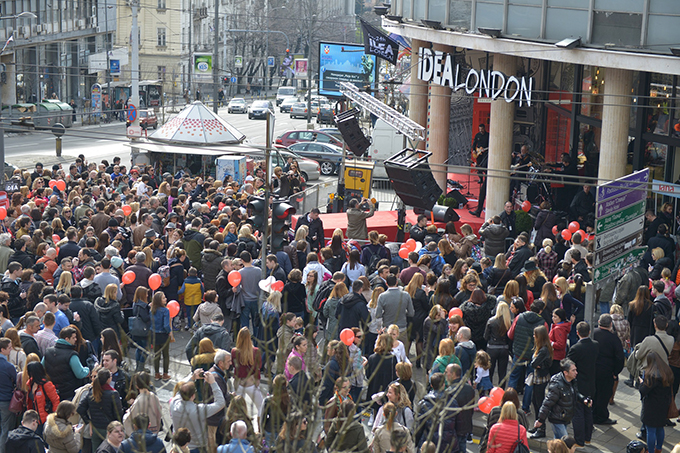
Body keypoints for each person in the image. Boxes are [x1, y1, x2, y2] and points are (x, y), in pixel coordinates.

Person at [169, 369, 225, 453]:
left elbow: (180, 388)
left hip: (179, 446)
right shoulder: (199, 410)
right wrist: (213, 383)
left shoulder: (173, 404)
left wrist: (192, 377)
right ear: (193, 395)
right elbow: (220, 403)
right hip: (197, 448)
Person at [534, 359, 591, 439]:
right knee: (565, 442)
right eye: (573, 370)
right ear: (566, 373)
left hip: (565, 418)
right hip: (557, 419)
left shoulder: (572, 381)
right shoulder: (557, 385)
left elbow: (575, 393)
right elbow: (547, 403)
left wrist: (583, 399)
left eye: (576, 370)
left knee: (557, 443)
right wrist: (540, 420)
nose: (576, 372)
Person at [567, 321, 599, 448]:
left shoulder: (576, 348)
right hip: (591, 383)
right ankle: (587, 439)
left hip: (579, 384)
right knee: (588, 411)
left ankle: (579, 440)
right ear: (589, 332)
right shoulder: (596, 345)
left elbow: (568, 363)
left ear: (577, 333)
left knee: (578, 413)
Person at [77, 368, 124, 451]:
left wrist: (89, 421)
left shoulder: (92, 391)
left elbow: (80, 408)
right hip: (109, 430)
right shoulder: (113, 394)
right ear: (108, 379)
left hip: (95, 429)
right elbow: (118, 415)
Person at [592, 314, 624, 426]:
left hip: (592, 370)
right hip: (607, 371)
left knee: (593, 393)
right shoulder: (613, 338)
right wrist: (616, 372)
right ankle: (601, 416)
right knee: (604, 394)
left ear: (599, 321)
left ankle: (592, 414)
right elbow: (620, 358)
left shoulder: (593, 334)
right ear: (611, 324)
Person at [42, 326, 89, 403]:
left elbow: (42, 367)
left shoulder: (48, 352)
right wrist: (87, 369)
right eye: (73, 338)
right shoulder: (72, 355)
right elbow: (80, 374)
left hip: (53, 391)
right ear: (67, 339)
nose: (76, 340)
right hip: (69, 392)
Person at [639, 351, 673, 453]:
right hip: (663, 404)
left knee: (651, 430)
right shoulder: (667, 372)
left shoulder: (651, 375)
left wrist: (641, 383)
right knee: (660, 428)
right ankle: (659, 448)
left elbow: (644, 391)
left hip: (651, 406)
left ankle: (650, 450)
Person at [414, 373, 458, 450]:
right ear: (443, 384)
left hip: (429, 443)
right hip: (447, 442)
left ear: (431, 385)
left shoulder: (423, 404)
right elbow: (457, 423)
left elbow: (419, 426)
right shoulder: (452, 402)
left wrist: (416, 442)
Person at [527, 325, 553, 439]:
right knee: (535, 400)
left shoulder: (543, 350)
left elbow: (533, 363)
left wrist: (536, 364)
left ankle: (541, 428)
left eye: (535, 335)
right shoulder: (543, 348)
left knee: (539, 403)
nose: (533, 336)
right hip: (539, 377)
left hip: (540, 379)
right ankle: (537, 426)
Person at [231, 327, 264, 411]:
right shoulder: (256, 351)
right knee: (261, 407)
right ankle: (260, 423)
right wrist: (258, 379)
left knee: (237, 409)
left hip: (239, 383)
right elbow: (258, 367)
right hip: (251, 383)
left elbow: (234, 366)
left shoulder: (234, 351)